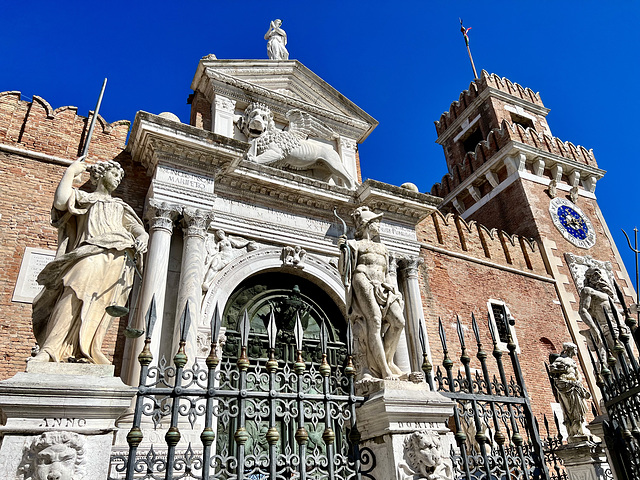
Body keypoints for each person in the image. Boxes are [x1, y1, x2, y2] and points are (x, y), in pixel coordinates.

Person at [31, 157, 148, 364]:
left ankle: (91, 349)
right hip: (90, 253)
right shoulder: (84, 198)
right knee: (73, 291)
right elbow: (60, 201)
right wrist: (71, 172)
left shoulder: (120, 206)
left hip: (120, 258)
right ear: (101, 175)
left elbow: (137, 229)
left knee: (104, 305)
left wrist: (143, 237)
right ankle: (50, 349)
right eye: (114, 174)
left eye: (121, 176)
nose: (118, 179)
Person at [338, 206, 405, 379]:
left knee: (398, 322)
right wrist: (343, 251)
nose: (379, 226)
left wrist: (393, 289)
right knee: (374, 320)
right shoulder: (354, 244)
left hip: (383, 285)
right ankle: (384, 371)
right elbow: (344, 270)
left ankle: (389, 362)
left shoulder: (383, 248)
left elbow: (388, 271)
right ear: (367, 224)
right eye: (376, 222)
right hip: (362, 279)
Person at [549, 342, 592, 440]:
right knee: (571, 409)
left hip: (575, 386)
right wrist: (561, 369)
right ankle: (574, 430)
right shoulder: (560, 359)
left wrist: (579, 381)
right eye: (575, 349)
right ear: (570, 349)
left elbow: (578, 374)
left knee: (581, 408)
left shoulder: (572, 361)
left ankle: (581, 428)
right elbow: (552, 370)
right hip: (566, 386)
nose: (576, 352)